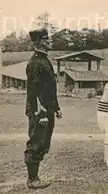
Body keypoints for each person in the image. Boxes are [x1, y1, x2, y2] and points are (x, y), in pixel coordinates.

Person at [24, 28, 62, 189]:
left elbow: (49, 88)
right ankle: (32, 180)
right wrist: (41, 113)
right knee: (36, 143)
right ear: (41, 42)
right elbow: (34, 90)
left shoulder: (44, 60)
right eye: (48, 39)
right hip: (40, 111)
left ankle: (35, 177)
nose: (51, 41)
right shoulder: (35, 63)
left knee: (44, 144)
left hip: (48, 109)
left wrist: (56, 107)